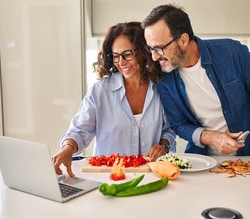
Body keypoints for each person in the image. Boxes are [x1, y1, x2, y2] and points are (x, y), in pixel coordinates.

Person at [142, 4, 250, 156]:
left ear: (183, 40)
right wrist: (211, 138)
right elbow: (180, 125)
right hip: (202, 159)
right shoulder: (164, 78)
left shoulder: (233, 52)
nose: (154, 57)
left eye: (159, 48)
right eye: (150, 49)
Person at [53, 22, 176, 176]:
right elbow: (79, 131)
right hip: (109, 177)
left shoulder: (160, 88)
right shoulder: (100, 92)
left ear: (144, 52)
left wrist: (163, 146)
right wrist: (67, 149)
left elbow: (169, 129)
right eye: (116, 56)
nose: (121, 62)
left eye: (127, 54)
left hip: (152, 175)